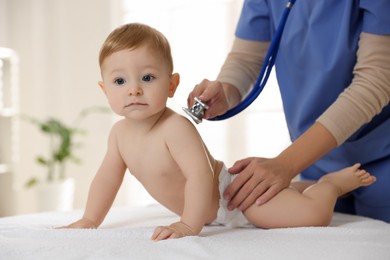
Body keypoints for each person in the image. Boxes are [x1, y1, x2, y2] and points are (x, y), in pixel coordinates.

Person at [63, 23, 376, 240]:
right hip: (215, 212)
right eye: (120, 82)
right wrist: (91, 219)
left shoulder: (175, 127)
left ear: (172, 85)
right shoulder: (118, 135)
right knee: (286, 199)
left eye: (147, 78)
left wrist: (189, 224)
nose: (134, 90)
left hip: (235, 200)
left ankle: (330, 185)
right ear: (104, 90)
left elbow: (200, 176)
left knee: (312, 217)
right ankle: (299, 187)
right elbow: (107, 178)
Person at [187, 0, 390, 222]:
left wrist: (286, 164)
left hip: (380, 158)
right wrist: (224, 94)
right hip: (316, 162)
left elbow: (376, 81)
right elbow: (246, 60)